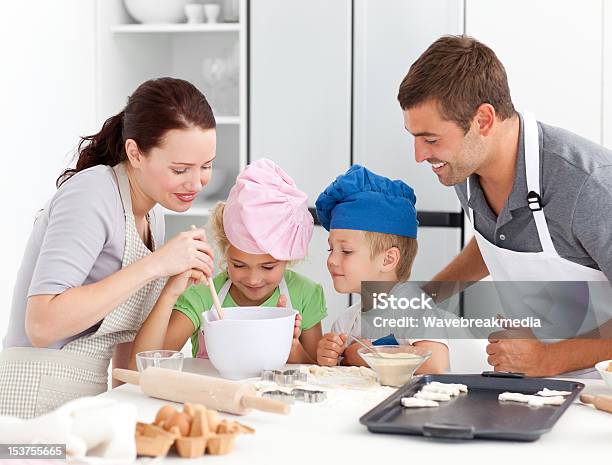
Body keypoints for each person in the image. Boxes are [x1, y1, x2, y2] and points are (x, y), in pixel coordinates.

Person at [0, 77, 217, 418]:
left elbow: (128, 367)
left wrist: (170, 289)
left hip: (87, 407)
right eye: (180, 169)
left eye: (206, 167)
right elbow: (41, 326)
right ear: (135, 152)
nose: (197, 183)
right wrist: (157, 264)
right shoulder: (92, 193)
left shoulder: (152, 216)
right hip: (32, 405)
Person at [398, 35, 612, 377]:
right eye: (415, 138)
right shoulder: (465, 170)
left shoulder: (589, 184)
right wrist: (421, 299)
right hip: (532, 385)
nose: (420, 155)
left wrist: (548, 359)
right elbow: (499, 240)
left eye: (431, 139)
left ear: (483, 120)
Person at [130, 158, 327, 367]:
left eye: (268, 267)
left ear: (288, 258)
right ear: (225, 251)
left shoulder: (305, 295)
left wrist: (292, 348)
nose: (253, 279)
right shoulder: (203, 296)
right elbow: (146, 366)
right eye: (239, 265)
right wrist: (171, 292)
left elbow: (317, 373)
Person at [314, 165, 449, 373]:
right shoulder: (344, 324)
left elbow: (436, 364)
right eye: (330, 249)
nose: (332, 260)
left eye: (346, 251)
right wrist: (330, 357)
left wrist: (367, 355)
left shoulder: (418, 309)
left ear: (388, 260)